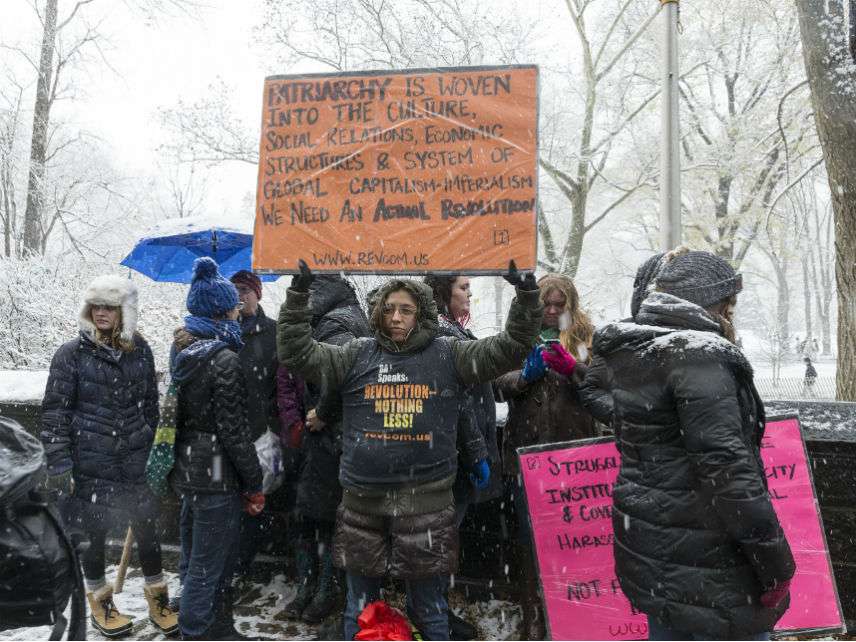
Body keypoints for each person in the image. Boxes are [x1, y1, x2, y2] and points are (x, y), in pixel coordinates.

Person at [277, 259, 543, 641]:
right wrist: (298, 294)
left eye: (406, 309)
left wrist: (526, 294)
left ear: (421, 314)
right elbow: (297, 352)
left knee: (429, 607)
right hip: (362, 507)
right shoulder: (356, 354)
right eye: (388, 309)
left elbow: (510, 348)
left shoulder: (448, 354)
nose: (396, 317)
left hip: (427, 508)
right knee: (360, 607)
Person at [597, 250, 794, 640]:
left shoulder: (639, 352)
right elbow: (727, 471)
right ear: (713, 303)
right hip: (710, 562)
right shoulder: (700, 358)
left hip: (655, 549)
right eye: (730, 306)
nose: (732, 317)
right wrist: (775, 566)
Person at [40, 275, 179, 637]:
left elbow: (151, 403)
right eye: (96, 306)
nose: (101, 313)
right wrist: (59, 462)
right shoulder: (70, 354)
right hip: (91, 463)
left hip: (135, 461)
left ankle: (158, 602)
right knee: (95, 534)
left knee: (148, 531)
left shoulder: (141, 350)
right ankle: (102, 605)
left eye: (110, 307)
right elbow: (55, 412)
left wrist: (152, 446)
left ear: (123, 312)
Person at [494, 272, 598, 640]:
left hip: (574, 454)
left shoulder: (586, 336)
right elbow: (496, 386)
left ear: (570, 305)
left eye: (559, 305)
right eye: (545, 304)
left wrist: (575, 370)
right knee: (529, 542)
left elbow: (605, 388)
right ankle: (532, 613)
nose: (552, 311)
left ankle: (573, 613)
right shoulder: (518, 334)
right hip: (526, 455)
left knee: (575, 540)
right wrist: (524, 375)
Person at [169, 257, 263, 640]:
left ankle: (218, 628)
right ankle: (195, 631)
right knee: (209, 566)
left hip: (190, 469)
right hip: (217, 473)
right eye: (234, 307)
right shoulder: (223, 358)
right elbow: (233, 430)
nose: (240, 313)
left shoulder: (183, 351)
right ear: (222, 312)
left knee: (195, 561)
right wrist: (254, 480)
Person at [283, 274, 371, 625]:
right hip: (336, 440)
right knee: (319, 518)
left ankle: (320, 591)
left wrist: (324, 411)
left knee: (317, 519)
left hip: (330, 439)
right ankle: (314, 589)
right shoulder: (345, 314)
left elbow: (343, 375)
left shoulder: (335, 322)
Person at [424, 274, 498, 640]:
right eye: (463, 288)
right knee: (440, 539)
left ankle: (434, 610)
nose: (470, 294)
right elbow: (461, 404)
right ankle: (432, 615)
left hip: (459, 456)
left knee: (443, 538)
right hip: (454, 460)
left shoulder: (453, 332)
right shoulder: (443, 337)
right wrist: (477, 454)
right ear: (442, 293)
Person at [229, 270, 300, 591]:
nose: (240, 295)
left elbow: (283, 386)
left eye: (246, 289)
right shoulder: (221, 332)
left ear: (257, 293)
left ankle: (243, 565)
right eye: (234, 290)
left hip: (266, 435)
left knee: (261, 502)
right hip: (228, 435)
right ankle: (230, 567)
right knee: (230, 504)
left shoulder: (273, 334)